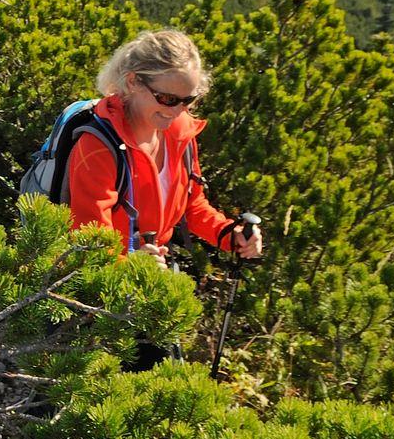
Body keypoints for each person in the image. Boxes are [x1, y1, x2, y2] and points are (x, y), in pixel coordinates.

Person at [66, 29, 265, 264]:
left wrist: (230, 234)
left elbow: (193, 205)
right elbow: (88, 246)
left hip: (152, 269)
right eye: (168, 99)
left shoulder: (180, 134)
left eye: (188, 100)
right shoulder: (98, 147)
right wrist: (133, 265)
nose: (178, 111)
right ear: (132, 82)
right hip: (105, 279)